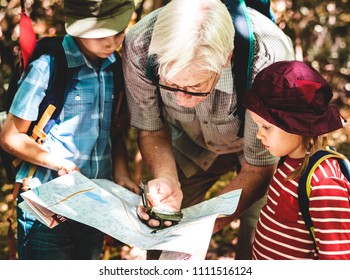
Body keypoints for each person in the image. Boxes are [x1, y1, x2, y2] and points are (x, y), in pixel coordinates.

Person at [122, 0, 294, 259]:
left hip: (257, 150)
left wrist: (202, 228)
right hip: (189, 141)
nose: (180, 99)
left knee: (259, 243)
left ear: (226, 58)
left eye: (194, 87)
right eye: (170, 85)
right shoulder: (140, 44)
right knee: (160, 235)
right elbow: (152, 128)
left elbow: (258, 169)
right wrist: (166, 176)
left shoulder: (268, 58)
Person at [0, 0, 136, 259]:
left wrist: (122, 176)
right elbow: (10, 136)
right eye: (101, 35)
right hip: (46, 202)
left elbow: (114, 133)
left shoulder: (114, 67)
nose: (111, 42)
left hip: (97, 201)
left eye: (118, 32)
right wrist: (58, 163)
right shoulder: (49, 64)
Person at [243, 60, 350, 260]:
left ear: (298, 126)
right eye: (257, 125)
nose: (259, 135)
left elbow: (337, 261)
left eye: (266, 127)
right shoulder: (287, 162)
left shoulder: (323, 183)